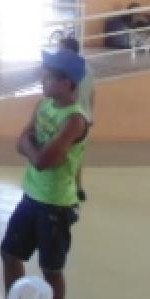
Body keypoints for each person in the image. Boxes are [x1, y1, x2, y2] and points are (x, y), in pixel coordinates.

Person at [0, 48, 87, 299]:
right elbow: (21, 142)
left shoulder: (75, 121)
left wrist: (32, 147)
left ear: (66, 83)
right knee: (9, 254)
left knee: (51, 270)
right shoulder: (43, 104)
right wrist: (33, 147)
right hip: (31, 196)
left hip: (56, 205)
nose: (42, 80)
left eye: (48, 77)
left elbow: (43, 161)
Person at [59, 37, 94, 202]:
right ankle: (78, 187)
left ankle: (69, 188)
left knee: (65, 153)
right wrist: (92, 114)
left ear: (68, 51)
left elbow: (75, 94)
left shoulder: (69, 70)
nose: (58, 52)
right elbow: (93, 93)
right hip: (85, 117)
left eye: (61, 49)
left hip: (72, 117)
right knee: (77, 155)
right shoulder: (88, 68)